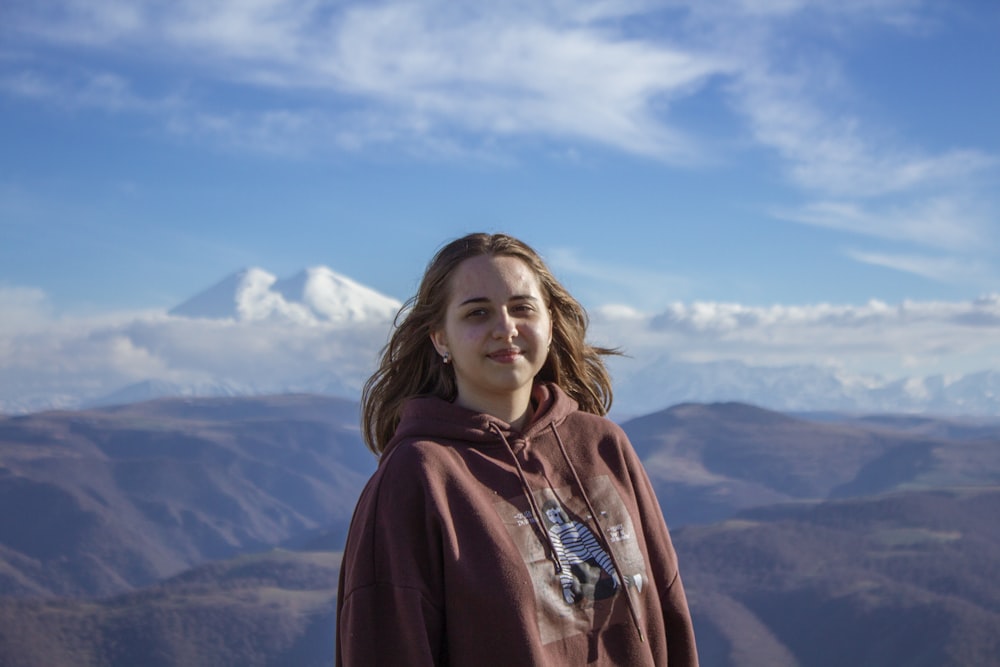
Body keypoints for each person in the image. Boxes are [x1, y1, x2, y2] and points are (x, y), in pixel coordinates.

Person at [336, 232, 698, 666]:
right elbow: (385, 646)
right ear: (440, 339)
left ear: (549, 322)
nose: (505, 327)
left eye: (522, 308)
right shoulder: (417, 476)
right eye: (477, 312)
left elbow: (669, 605)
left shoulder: (602, 445)